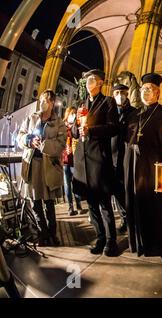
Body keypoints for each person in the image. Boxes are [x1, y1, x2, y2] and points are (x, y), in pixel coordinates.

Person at [124, 73, 162, 258]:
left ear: (157, 92)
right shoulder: (133, 115)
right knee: (140, 207)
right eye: (143, 89)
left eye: (149, 89)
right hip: (135, 170)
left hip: (157, 171)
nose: (145, 92)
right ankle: (143, 244)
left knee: (161, 208)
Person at [72, 69, 120, 257]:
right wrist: (75, 126)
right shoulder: (82, 104)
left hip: (98, 160)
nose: (88, 82)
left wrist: (91, 131)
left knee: (104, 203)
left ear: (100, 83)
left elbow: (113, 128)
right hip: (82, 161)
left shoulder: (107, 102)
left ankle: (111, 240)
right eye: (86, 80)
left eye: (91, 79)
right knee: (91, 204)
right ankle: (100, 237)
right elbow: (76, 133)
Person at [18, 89, 66, 246]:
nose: (42, 103)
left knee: (49, 204)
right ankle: (42, 234)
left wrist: (44, 144)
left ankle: (53, 234)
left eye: (46, 100)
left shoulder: (58, 122)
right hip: (32, 165)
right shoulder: (31, 118)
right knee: (35, 202)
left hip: (48, 167)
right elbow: (20, 136)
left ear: (52, 103)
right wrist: (28, 140)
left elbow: (61, 144)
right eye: (41, 99)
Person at [110, 84, 133, 234]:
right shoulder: (109, 112)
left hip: (127, 157)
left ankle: (131, 219)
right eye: (117, 93)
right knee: (117, 191)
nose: (120, 95)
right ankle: (125, 218)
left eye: (123, 93)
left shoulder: (133, 112)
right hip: (112, 157)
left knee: (128, 190)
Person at [62, 106, 82, 216]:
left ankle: (79, 205)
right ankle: (70, 207)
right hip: (65, 159)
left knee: (76, 183)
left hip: (75, 159)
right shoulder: (62, 126)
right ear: (67, 114)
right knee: (67, 184)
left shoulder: (76, 126)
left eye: (75, 113)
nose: (73, 115)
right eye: (71, 113)